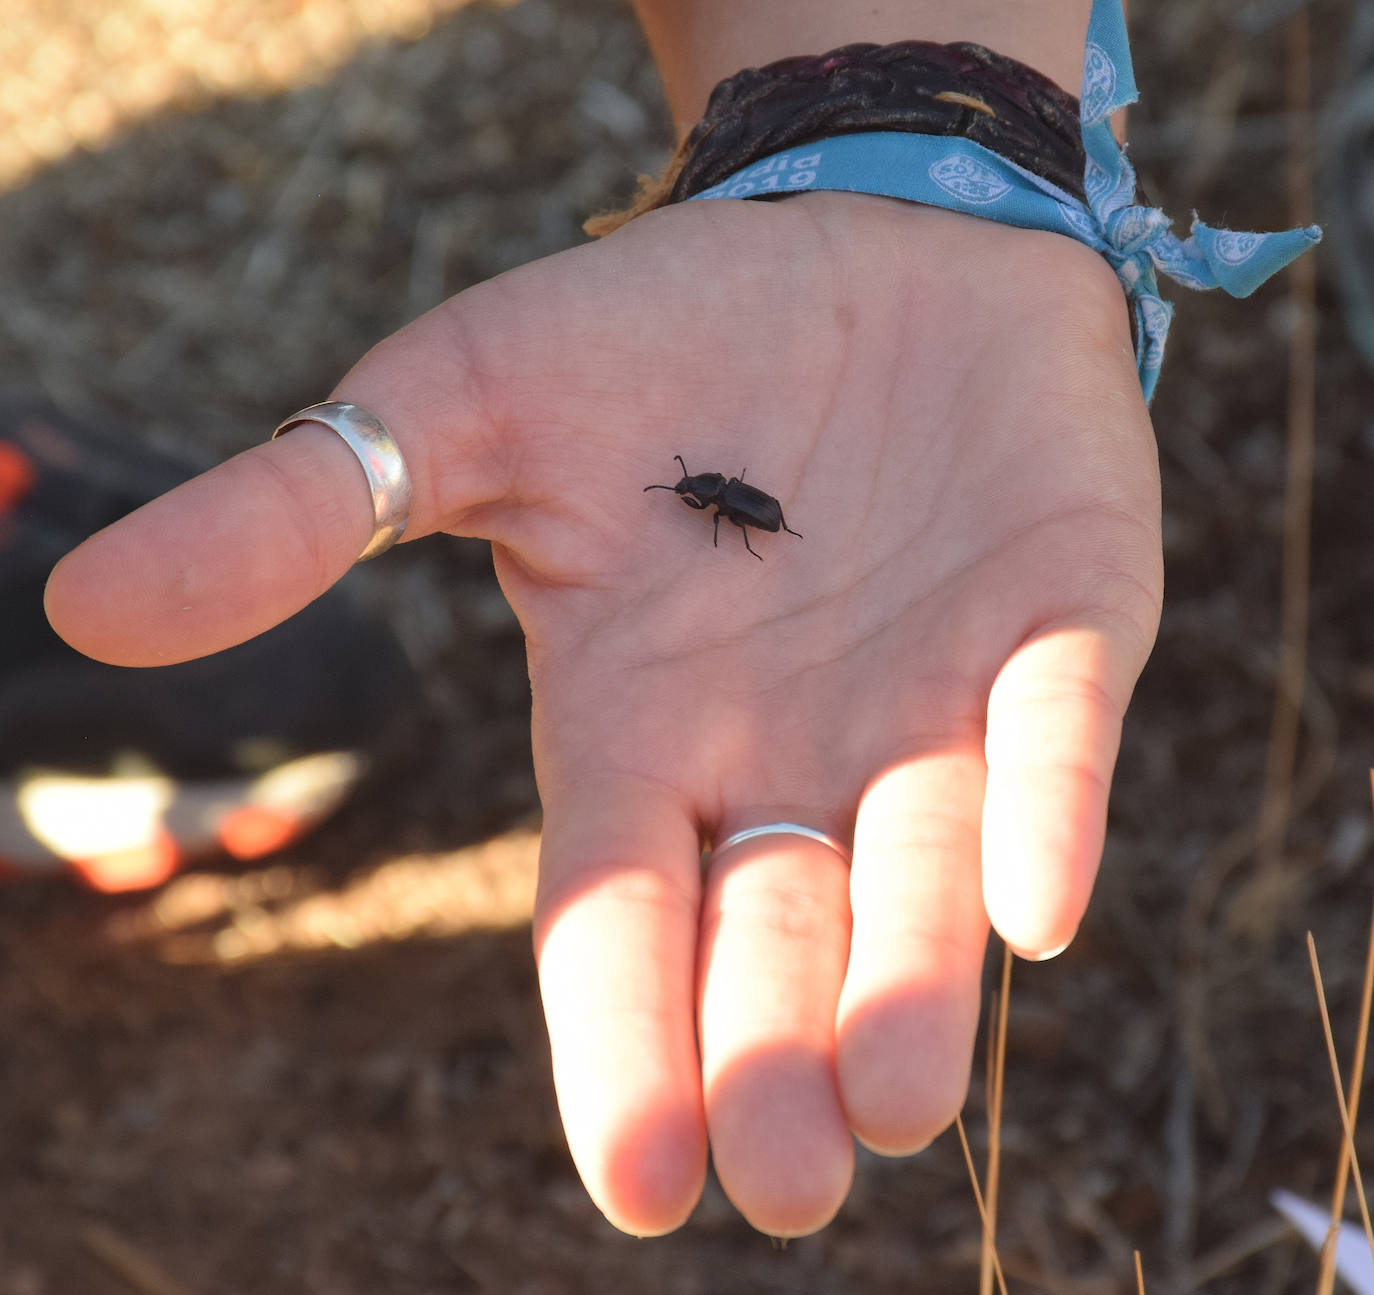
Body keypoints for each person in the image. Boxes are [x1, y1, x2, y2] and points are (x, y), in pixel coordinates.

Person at [41, 0, 1264, 1243]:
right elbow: (717, 501)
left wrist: (885, 143)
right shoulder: (713, 497)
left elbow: (724, 503)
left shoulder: (723, 499)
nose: (693, 504)